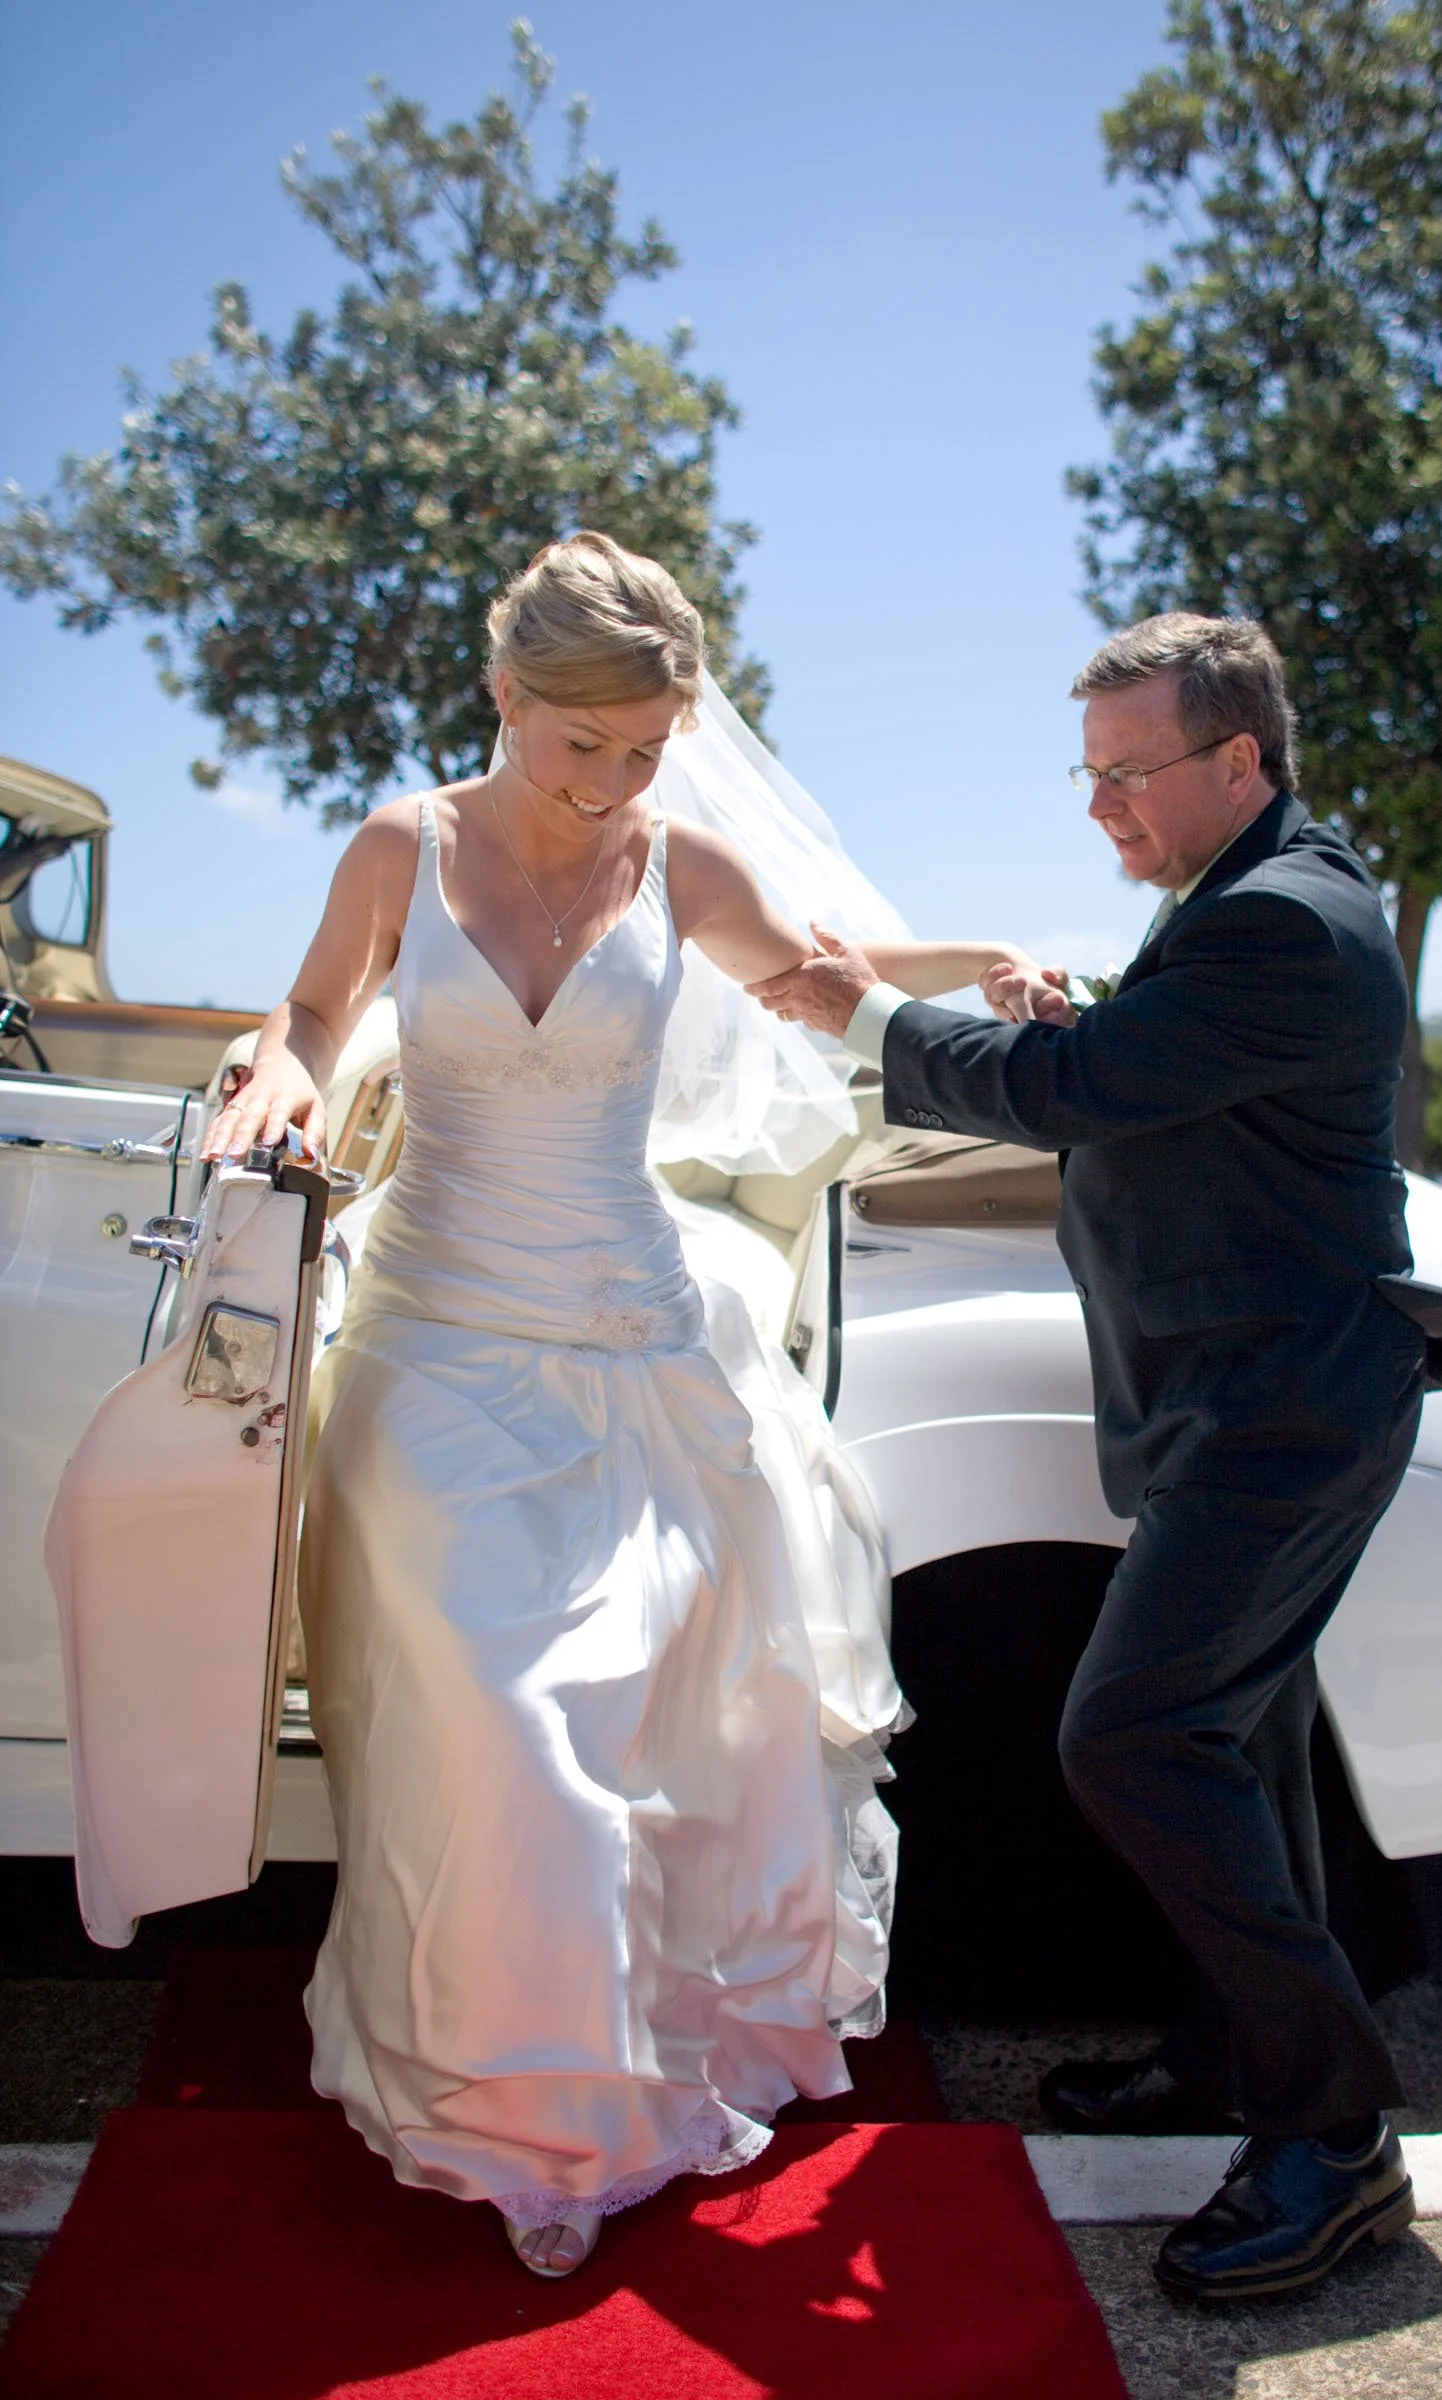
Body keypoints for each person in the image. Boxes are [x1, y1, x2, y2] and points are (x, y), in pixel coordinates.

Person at [201, 531, 1045, 2279]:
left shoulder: (680, 859)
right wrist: (268, 1082)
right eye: (583, 746)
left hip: (633, 1346)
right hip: (435, 1340)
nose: (612, 788)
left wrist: (993, 969)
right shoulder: (401, 846)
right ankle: (476, 2091)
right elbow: (309, 1007)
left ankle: (573, 2117)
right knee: (494, 1736)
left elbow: (825, 979)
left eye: (647, 753)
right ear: (505, 697)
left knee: (614, 1755)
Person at [749, 613, 1427, 2304]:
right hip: (1236, 1403)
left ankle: (1335, 2144)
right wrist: (1085, 1019)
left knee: (1133, 1738)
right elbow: (1148, 1076)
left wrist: (869, 1015)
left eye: (1129, 773)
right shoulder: (1238, 902)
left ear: (1240, 761)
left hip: (1279, 1415)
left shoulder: (1284, 918)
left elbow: (1084, 1092)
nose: (1102, 807)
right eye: (1091, 773)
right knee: (1244, 1756)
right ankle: (1224, 2056)